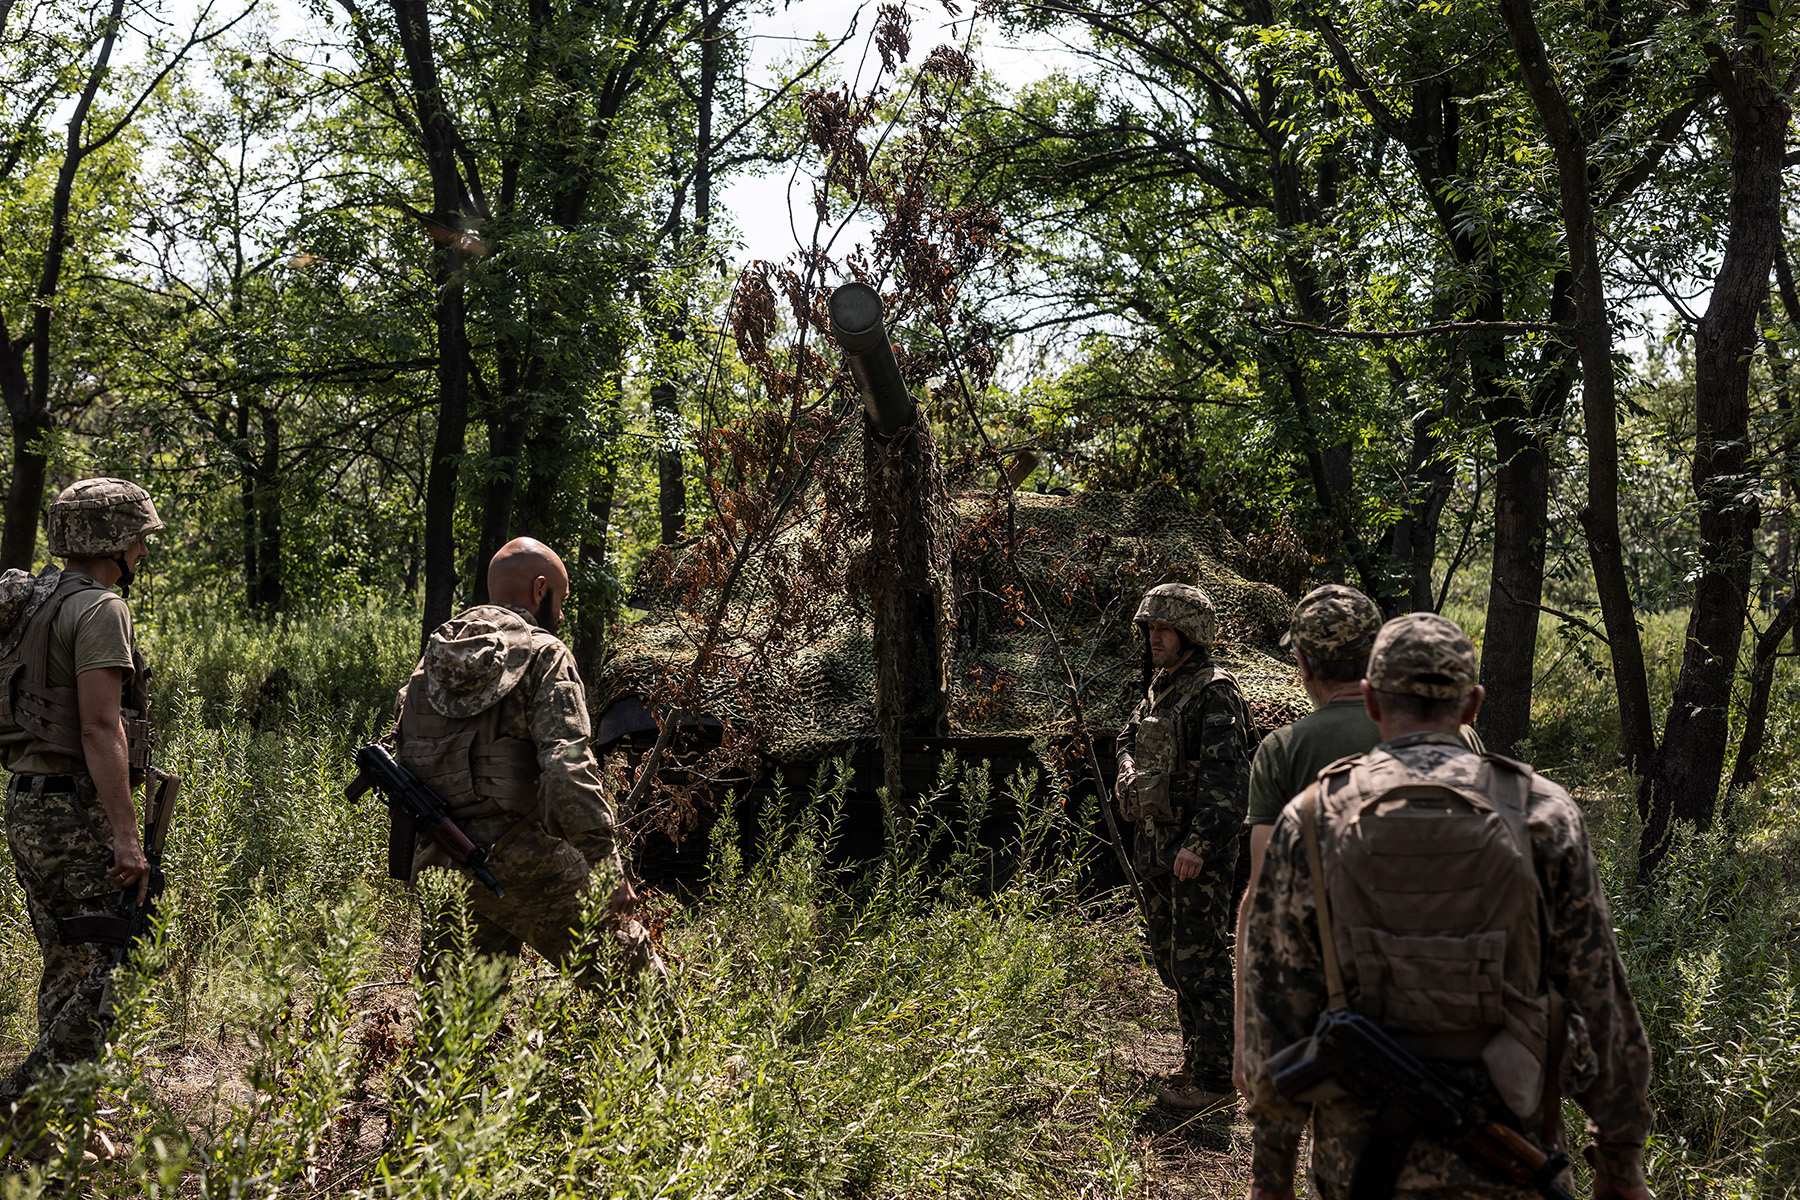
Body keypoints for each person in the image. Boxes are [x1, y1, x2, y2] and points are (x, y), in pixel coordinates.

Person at [1240, 613, 1652, 1200]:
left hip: (1356, 1164)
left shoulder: (1311, 817)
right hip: (1514, 1152)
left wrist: (1270, 1174)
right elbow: (1601, 996)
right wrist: (1619, 1161)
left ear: (1373, 701)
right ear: (1473, 705)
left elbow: (1275, 1004)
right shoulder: (1543, 812)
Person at [1232, 586, 1484, 1093]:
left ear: (1303, 664)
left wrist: (1248, 1035)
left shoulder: (1284, 749)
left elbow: (1264, 899)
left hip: (1341, 998)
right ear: (1374, 657)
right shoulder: (1458, 735)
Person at [392, 537, 656, 982]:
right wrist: (607, 866)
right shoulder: (545, 654)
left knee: (454, 1016)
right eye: (562, 599)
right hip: (526, 861)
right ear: (539, 589)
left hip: (443, 858)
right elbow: (568, 763)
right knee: (641, 988)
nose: (562, 614)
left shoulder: (432, 663)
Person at [0, 478, 163, 1101]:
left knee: (69, 958)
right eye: (139, 538)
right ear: (111, 540)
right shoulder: (101, 609)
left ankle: (63, 1122)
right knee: (114, 962)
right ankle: (27, 1102)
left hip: (26, 802)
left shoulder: (34, 602)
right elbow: (99, 726)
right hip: (73, 806)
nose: (143, 550)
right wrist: (126, 835)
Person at [1115, 582, 1253, 1111]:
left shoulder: (1214, 692)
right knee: (1172, 963)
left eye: (1165, 629)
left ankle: (1216, 1083)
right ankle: (1197, 1061)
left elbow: (1229, 782)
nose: (1155, 637)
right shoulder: (1162, 685)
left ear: (1191, 634)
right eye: (1150, 628)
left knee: (1203, 967)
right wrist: (1128, 767)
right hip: (1156, 848)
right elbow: (1128, 737)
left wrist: (1199, 844)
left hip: (1196, 857)